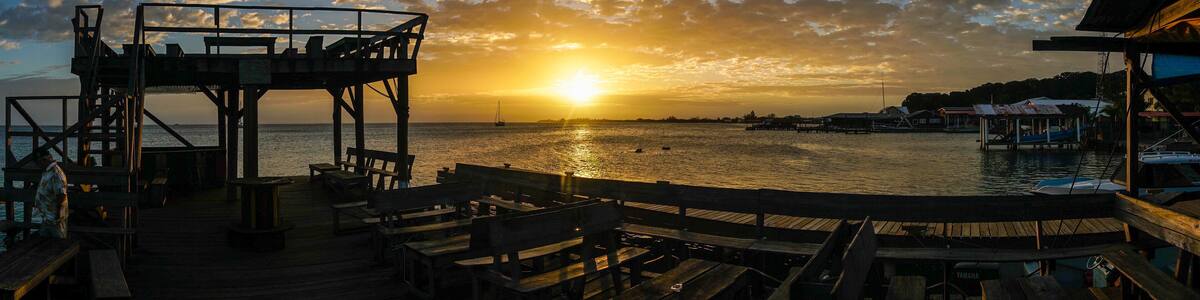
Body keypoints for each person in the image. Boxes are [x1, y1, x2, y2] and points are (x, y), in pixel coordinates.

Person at [33, 149, 69, 239]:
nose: (38, 165)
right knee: (45, 241)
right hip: (46, 216)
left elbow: (62, 195)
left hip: (54, 218)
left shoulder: (55, 173)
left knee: (58, 241)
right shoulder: (47, 171)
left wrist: (57, 216)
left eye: (39, 162)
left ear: (45, 160)